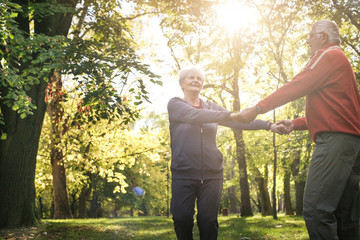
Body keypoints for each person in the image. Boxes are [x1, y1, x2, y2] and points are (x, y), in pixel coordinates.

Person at [237, 20, 360, 240]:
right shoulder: (340, 62)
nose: (307, 40)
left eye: (311, 35)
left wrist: (258, 108)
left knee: (315, 210)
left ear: (322, 36)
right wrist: (296, 123)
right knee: (346, 216)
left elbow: (297, 85)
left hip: (334, 144)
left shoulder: (328, 55)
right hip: (349, 144)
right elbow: (338, 112)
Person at [167, 66, 278, 240]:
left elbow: (238, 121)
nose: (196, 80)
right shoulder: (175, 104)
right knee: (182, 219)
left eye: (199, 78)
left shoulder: (211, 107)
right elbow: (196, 115)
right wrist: (229, 115)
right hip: (184, 173)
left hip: (212, 173)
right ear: (182, 83)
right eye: (191, 78)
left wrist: (269, 125)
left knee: (208, 220)